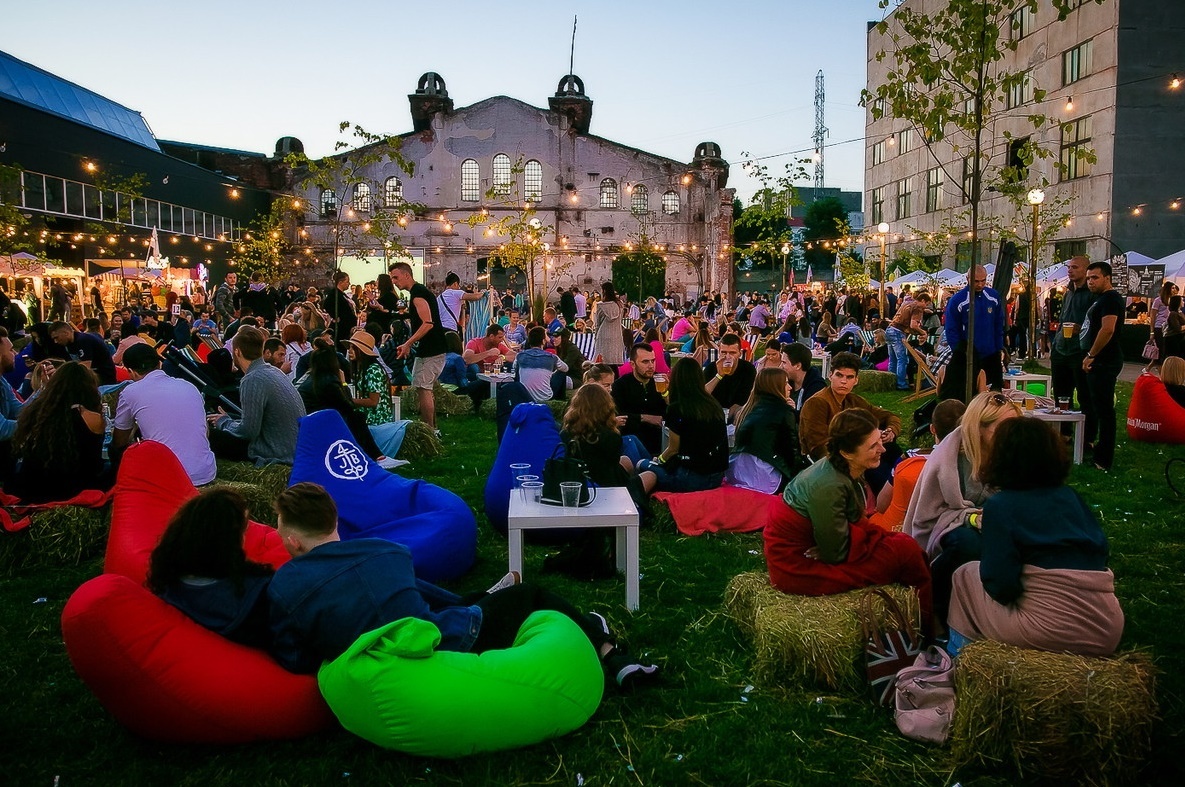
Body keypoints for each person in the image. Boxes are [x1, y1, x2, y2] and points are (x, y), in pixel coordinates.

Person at [266, 482, 658, 687]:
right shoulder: (387, 552)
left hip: (386, 657)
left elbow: (294, 659)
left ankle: (489, 596)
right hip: (444, 648)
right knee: (530, 595)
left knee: (422, 596)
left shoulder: (285, 586)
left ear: (293, 540)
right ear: (333, 520)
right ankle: (610, 653)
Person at [947, 417, 1123, 658]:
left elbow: (1001, 586)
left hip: (1048, 629)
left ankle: (961, 662)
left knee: (964, 576)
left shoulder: (1003, 506)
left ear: (1002, 456)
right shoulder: (1070, 497)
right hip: (1106, 628)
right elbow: (1101, 553)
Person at [763, 409, 932, 612]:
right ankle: (925, 622)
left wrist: (831, 542)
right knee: (905, 556)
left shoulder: (840, 469)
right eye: (873, 446)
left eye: (880, 441)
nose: (883, 450)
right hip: (797, 566)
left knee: (905, 546)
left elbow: (840, 533)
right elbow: (836, 552)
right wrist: (830, 545)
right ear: (847, 453)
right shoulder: (829, 486)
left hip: (821, 547)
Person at [903, 391, 1021, 627]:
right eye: (1002, 428)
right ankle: (932, 605)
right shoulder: (953, 457)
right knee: (967, 544)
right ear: (979, 428)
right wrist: (975, 519)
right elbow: (933, 512)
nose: (1011, 434)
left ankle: (1000, 611)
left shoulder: (1014, 450)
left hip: (1000, 521)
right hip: (947, 524)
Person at [146, 487, 274, 648]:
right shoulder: (257, 594)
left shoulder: (169, 583)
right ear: (229, 540)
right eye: (243, 530)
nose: (244, 537)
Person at [547, 383, 634, 580]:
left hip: (577, 487)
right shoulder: (611, 437)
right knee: (631, 471)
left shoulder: (565, 433)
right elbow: (612, 465)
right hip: (607, 491)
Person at [111, 344, 217, 486]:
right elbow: (205, 431)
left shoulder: (131, 391)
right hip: (205, 472)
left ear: (131, 372)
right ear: (159, 364)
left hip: (168, 478)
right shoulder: (189, 386)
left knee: (115, 452)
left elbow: (120, 441)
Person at [798, 351, 902, 494]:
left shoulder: (853, 400)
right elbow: (817, 446)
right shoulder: (818, 402)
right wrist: (856, 463)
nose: (843, 381)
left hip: (855, 454)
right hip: (830, 461)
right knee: (878, 471)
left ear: (856, 380)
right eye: (839, 375)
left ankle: (900, 492)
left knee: (893, 451)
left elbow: (889, 416)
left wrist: (891, 430)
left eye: (849, 377)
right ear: (830, 376)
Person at [6, 362, 111, 503]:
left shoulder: (35, 413)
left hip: (33, 489)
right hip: (74, 489)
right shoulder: (92, 418)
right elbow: (94, 462)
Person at [207, 326, 306, 465]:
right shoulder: (274, 371)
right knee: (230, 418)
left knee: (210, 436)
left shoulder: (252, 379)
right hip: (292, 448)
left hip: (275, 452)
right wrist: (229, 419)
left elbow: (248, 432)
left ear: (237, 351)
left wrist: (223, 422)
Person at [868, 398, 965, 532]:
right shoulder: (975, 464)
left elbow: (882, 504)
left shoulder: (908, 459)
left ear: (932, 429)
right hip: (948, 528)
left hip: (903, 528)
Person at [635, 358, 728, 495]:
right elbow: (681, 410)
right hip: (716, 476)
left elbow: (673, 449)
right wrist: (665, 394)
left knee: (642, 464)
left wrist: (659, 460)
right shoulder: (713, 405)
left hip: (691, 478)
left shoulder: (677, 409)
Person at [296, 345, 389, 463]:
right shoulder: (329, 381)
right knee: (356, 418)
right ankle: (375, 456)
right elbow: (348, 404)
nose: (349, 351)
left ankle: (374, 455)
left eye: (353, 348)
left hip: (309, 421)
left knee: (354, 417)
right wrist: (343, 383)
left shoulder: (313, 378)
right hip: (319, 423)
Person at [390, 262, 447, 434]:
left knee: (424, 388)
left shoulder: (418, 294)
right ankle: (432, 428)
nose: (394, 281)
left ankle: (429, 430)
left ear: (407, 275)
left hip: (432, 348)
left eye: (396, 277)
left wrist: (408, 343)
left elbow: (428, 323)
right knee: (424, 387)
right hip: (429, 347)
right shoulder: (418, 292)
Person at [726, 367, 803, 494]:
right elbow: (791, 450)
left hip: (737, 471)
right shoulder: (783, 411)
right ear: (775, 387)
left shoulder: (748, 409)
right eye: (785, 383)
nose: (790, 387)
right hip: (763, 476)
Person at [1080, 260, 1124, 471]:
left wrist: (1091, 354)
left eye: (1095, 277)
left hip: (1105, 360)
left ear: (1107, 278)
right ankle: (1099, 452)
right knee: (1098, 407)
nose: (1090, 282)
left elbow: (1107, 329)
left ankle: (1103, 458)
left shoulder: (1110, 299)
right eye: (1088, 278)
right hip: (1100, 359)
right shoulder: (1101, 299)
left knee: (1105, 410)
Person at [941, 264, 1005, 400]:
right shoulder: (958, 300)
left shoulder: (993, 296)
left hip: (991, 352)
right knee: (970, 393)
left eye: (983, 280)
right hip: (968, 355)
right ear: (968, 278)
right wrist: (959, 352)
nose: (980, 284)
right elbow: (951, 329)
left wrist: (999, 347)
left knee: (995, 392)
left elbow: (999, 323)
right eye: (976, 281)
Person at [494, 326, 568, 441]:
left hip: (523, 394)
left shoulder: (520, 356)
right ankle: (561, 401)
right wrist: (550, 371)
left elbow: (514, 370)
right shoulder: (552, 357)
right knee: (561, 374)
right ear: (543, 341)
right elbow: (565, 368)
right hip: (545, 396)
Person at [1050, 255, 1095, 412]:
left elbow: (1095, 323)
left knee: (1084, 395)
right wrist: (1055, 344)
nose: (1070, 270)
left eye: (1075, 267)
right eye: (1069, 267)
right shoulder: (1068, 292)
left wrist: (1080, 328)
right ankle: (1064, 433)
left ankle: (1086, 434)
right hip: (1061, 349)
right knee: (1061, 395)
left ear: (1086, 270)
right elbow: (1063, 319)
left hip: (1079, 350)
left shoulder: (1091, 293)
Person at [611, 343, 666, 457]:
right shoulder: (621, 385)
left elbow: (672, 411)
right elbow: (619, 415)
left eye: (653, 361)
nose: (651, 366)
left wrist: (667, 394)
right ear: (633, 364)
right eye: (645, 362)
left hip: (659, 440)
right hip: (632, 440)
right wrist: (645, 418)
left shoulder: (661, 382)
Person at [703, 333, 756, 421]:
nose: (727, 357)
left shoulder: (748, 369)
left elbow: (745, 399)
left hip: (738, 412)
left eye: (732, 353)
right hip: (713, 412)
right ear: (719, 352)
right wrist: (719, 376)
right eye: (723, 352)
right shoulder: (711, 368)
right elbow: (702, 394)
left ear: (739, 353)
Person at [344, 331, 393, 426]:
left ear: (362, 351)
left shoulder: (373, 370)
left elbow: (373, 401)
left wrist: (350, 401)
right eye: (349, 347)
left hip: (376, 421)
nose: (349, 350)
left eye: (353, 348)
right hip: (366, 416)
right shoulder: (362, 369)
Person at [886, 291, 932, 391]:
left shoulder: (908, 303)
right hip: (898, 332)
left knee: (893, 359)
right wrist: (923, 332)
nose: (926, 306)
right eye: (927, 304)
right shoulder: (918, 308)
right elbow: (913, 325)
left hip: (890, 330)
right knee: (902, 359)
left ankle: (889, 382)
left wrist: (925, 311)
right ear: (923, 300)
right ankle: (901, 384)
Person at [49, 320, 117, 385]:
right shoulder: (68, 344)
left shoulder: (83, 340)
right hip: (91, 377)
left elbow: (85, 368)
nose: (56, 341)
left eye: (56, 338)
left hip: (103, 379)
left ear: (66, 333)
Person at [781, 342, 825, 411]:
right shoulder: (785, 381)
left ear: (798, 366)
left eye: (784, 363)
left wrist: (793, 411)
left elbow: (810, 417)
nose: (781, 366)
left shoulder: (816, 388)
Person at [594, 281, 626, 368]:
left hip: (603, 334)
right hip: (616, 334)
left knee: (603, 363)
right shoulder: (620, 305)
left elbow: (598, 323)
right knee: (615, 362)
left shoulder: (601, 306)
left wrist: (596, 335)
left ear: (603, 291)